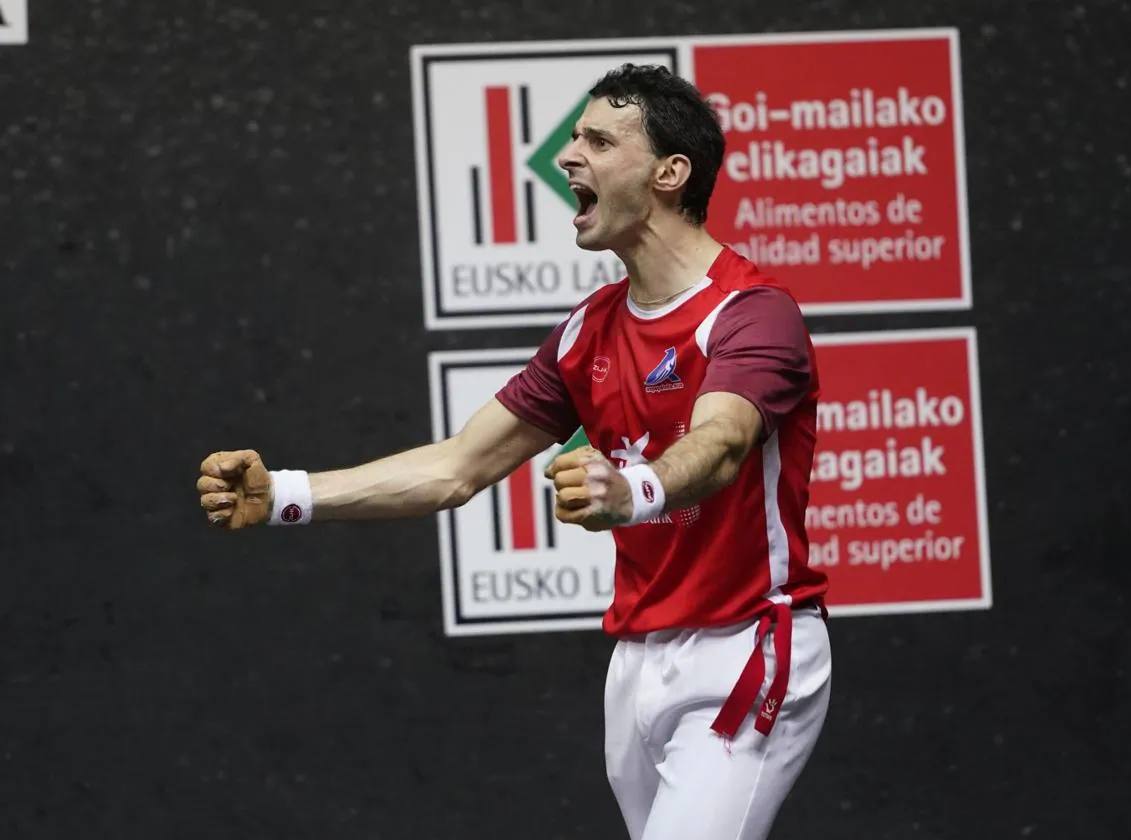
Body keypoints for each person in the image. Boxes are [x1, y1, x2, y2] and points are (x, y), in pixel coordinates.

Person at [197, 63, 830, 840]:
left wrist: (633, 490)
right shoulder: (587, 330)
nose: (568, 156)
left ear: (671, 173)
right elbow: (457, 467)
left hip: (747, 647)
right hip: (635, 662)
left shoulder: (752, 314)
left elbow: (723, 439)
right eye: (573, 137)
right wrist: (290, 493)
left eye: (598, 140)